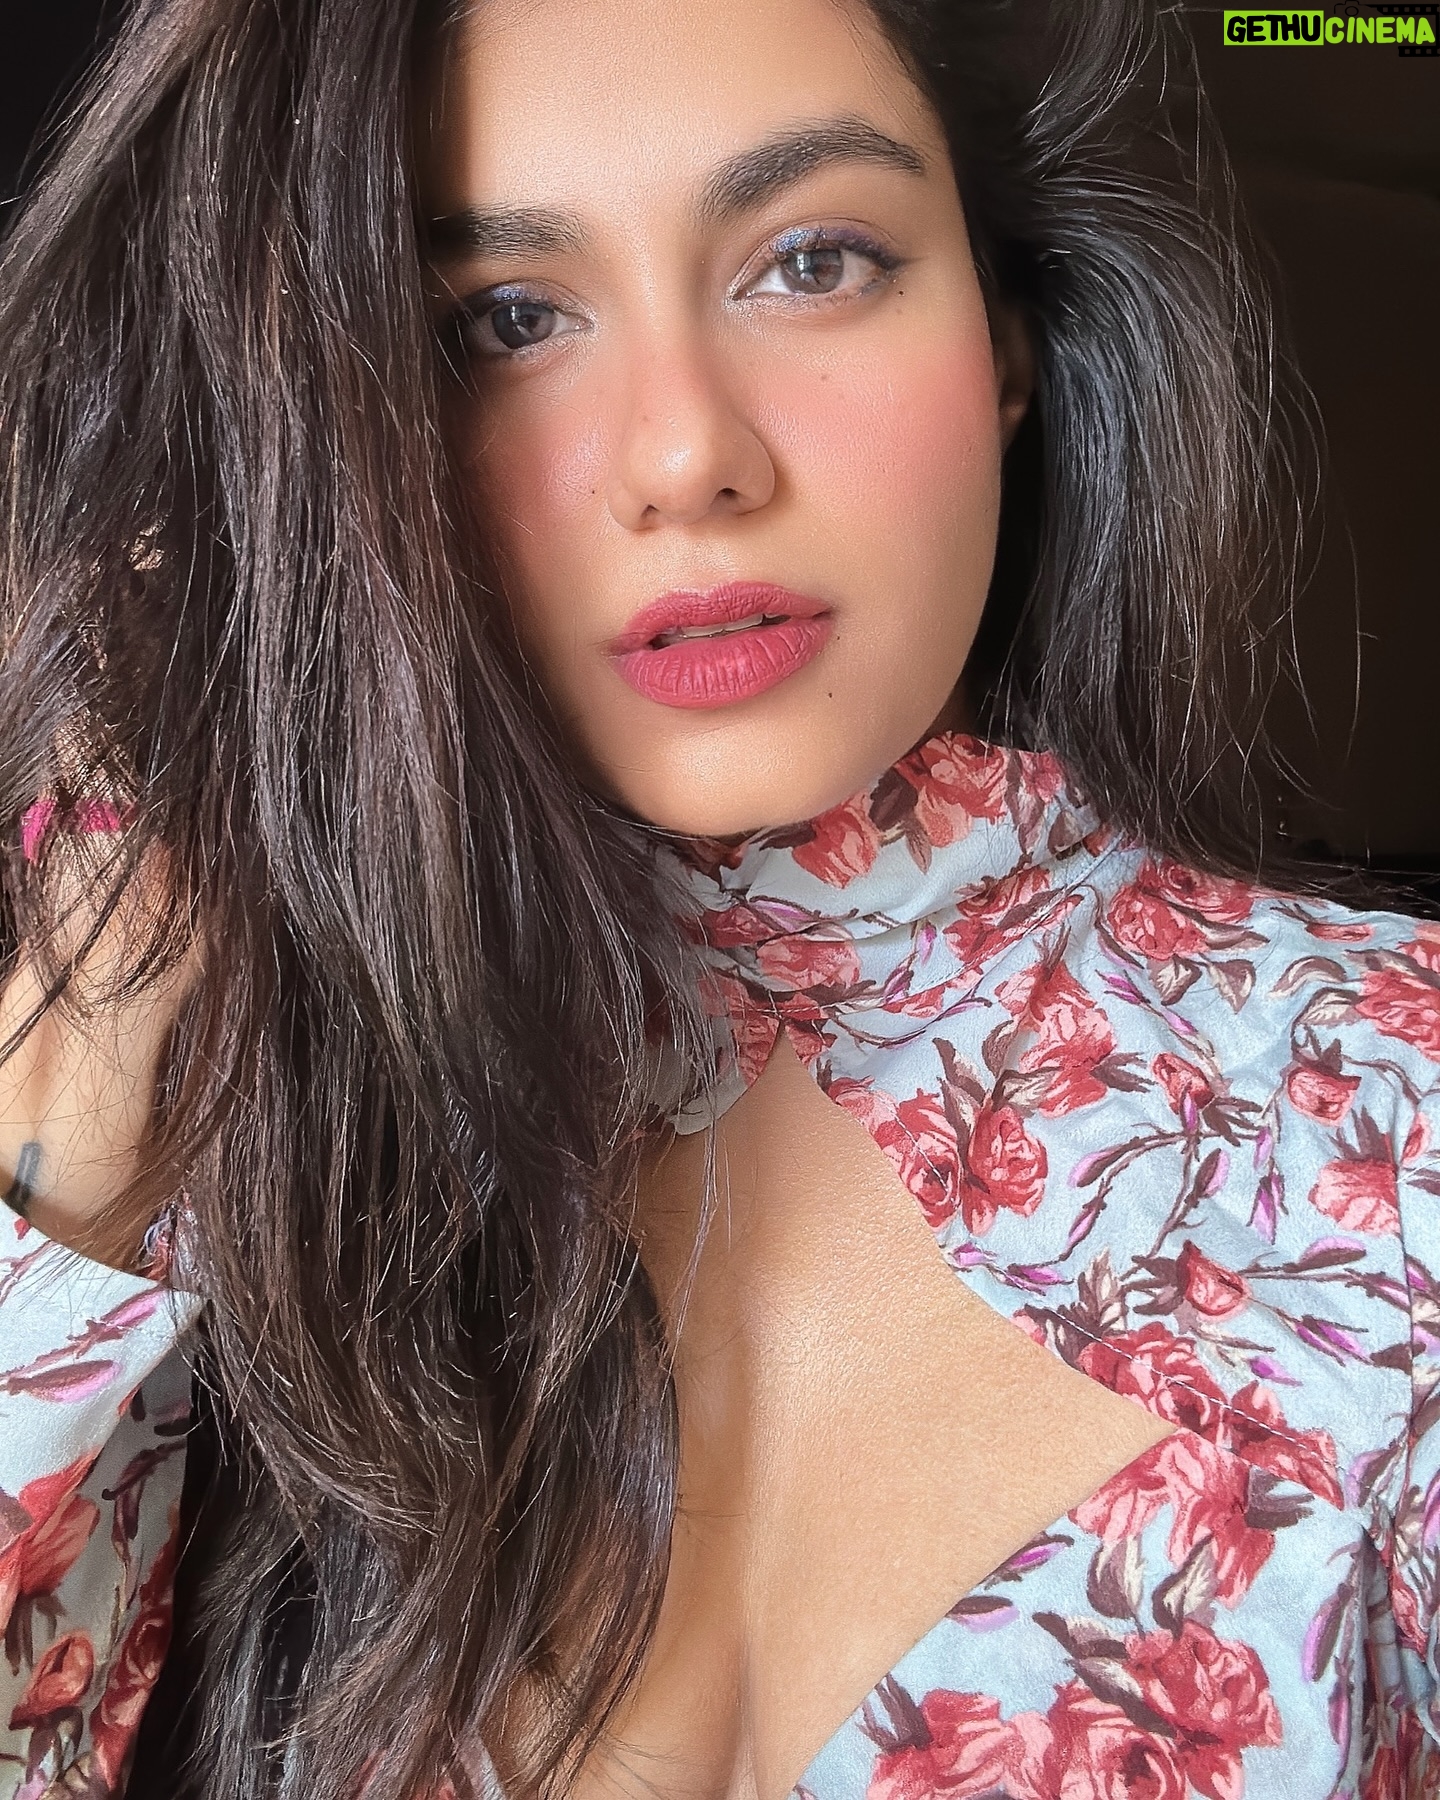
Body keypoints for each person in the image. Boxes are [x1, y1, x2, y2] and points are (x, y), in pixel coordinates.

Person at [0, 0, 1437, 1796]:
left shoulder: (1395, 1119)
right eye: (498, 322)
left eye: (814, 261)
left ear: (1005, 340)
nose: (686, 454)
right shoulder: (228, 1127)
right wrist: (72, 1120)